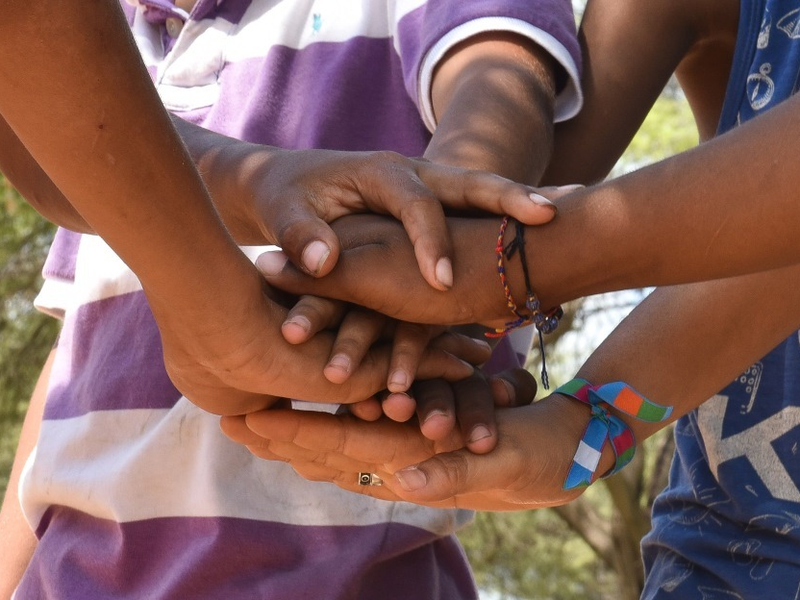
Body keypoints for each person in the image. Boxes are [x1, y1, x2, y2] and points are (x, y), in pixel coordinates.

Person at [0, 1, 583, 598]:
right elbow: (72, 365)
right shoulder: (104, 44)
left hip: (347, 578)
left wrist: (422, 253)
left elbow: (499, 88)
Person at [230, 0, 800, 596]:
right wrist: (421, 286)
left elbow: (501, 238)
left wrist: (502, 266)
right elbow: (500, 200)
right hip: (719, 556)